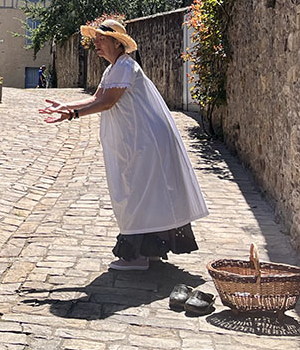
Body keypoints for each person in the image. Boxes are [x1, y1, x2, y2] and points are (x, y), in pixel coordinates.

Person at [39, 18, 209, 271]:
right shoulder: (114, 68)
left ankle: (136, 256)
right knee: (144, 194)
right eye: (96, 39)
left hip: (145, 140)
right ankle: (149, 250)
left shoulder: (125, 66)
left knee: (134, 194)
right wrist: (66, 106)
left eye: (102, 39)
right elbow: (97, 98)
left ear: (118, 43)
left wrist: (73, 114)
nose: (96, 43)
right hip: (138, 139)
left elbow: (107, 102)